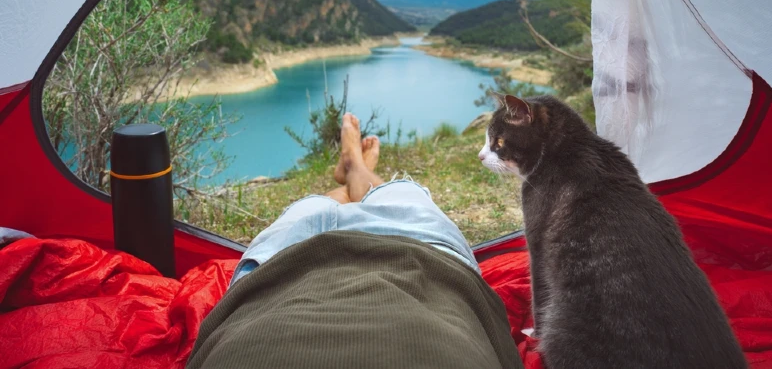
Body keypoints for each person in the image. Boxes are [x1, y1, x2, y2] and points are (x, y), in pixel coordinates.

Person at [187, 113, 523, 369]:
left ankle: (350, 169)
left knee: (319, 207)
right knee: (396, 194)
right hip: (427, 263)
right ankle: (356, 168)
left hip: (277, 273)